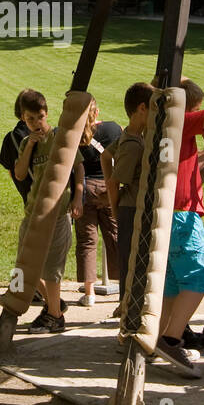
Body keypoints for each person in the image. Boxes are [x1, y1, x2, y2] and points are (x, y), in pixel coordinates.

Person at [153, 78, 204, 377]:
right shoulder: (179, 122)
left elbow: (192, 167)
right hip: (182, 215)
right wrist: (202, 121)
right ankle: (172, 340)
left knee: (172, 285)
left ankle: (157, 340)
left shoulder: (162, 125)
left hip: (166, 213)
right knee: (199, 277)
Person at [12, 91, 84, 333]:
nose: (37, 123)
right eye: (31, 119)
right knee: (23, 264)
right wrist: (30, 144)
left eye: (40, 117)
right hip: (33, 211)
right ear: (24, 119)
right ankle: (55, 304)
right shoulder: (25, 142)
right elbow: (20, 174)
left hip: (58, 211)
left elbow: (78, 168)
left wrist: (78, 197)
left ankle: (55, 316)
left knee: (52, 267)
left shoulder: (59, 138)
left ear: (47, 114)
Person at [73, 96, 122, 306]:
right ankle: (124, 290)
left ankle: (89, 292)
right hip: (109, 188)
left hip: (85, 190)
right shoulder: (113, 129)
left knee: (87, 242)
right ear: (97, 112)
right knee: (116, 238)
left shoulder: (75, 135)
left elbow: (77, 167)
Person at [106, 83, 152, 289]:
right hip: (131, 209)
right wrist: (114, 210)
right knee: (132, 262)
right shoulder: (132, 146)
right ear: (142, 108)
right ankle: (126, 305)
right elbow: (115, 182)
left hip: (132, 208)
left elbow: (105, 155)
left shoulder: (131, 135)